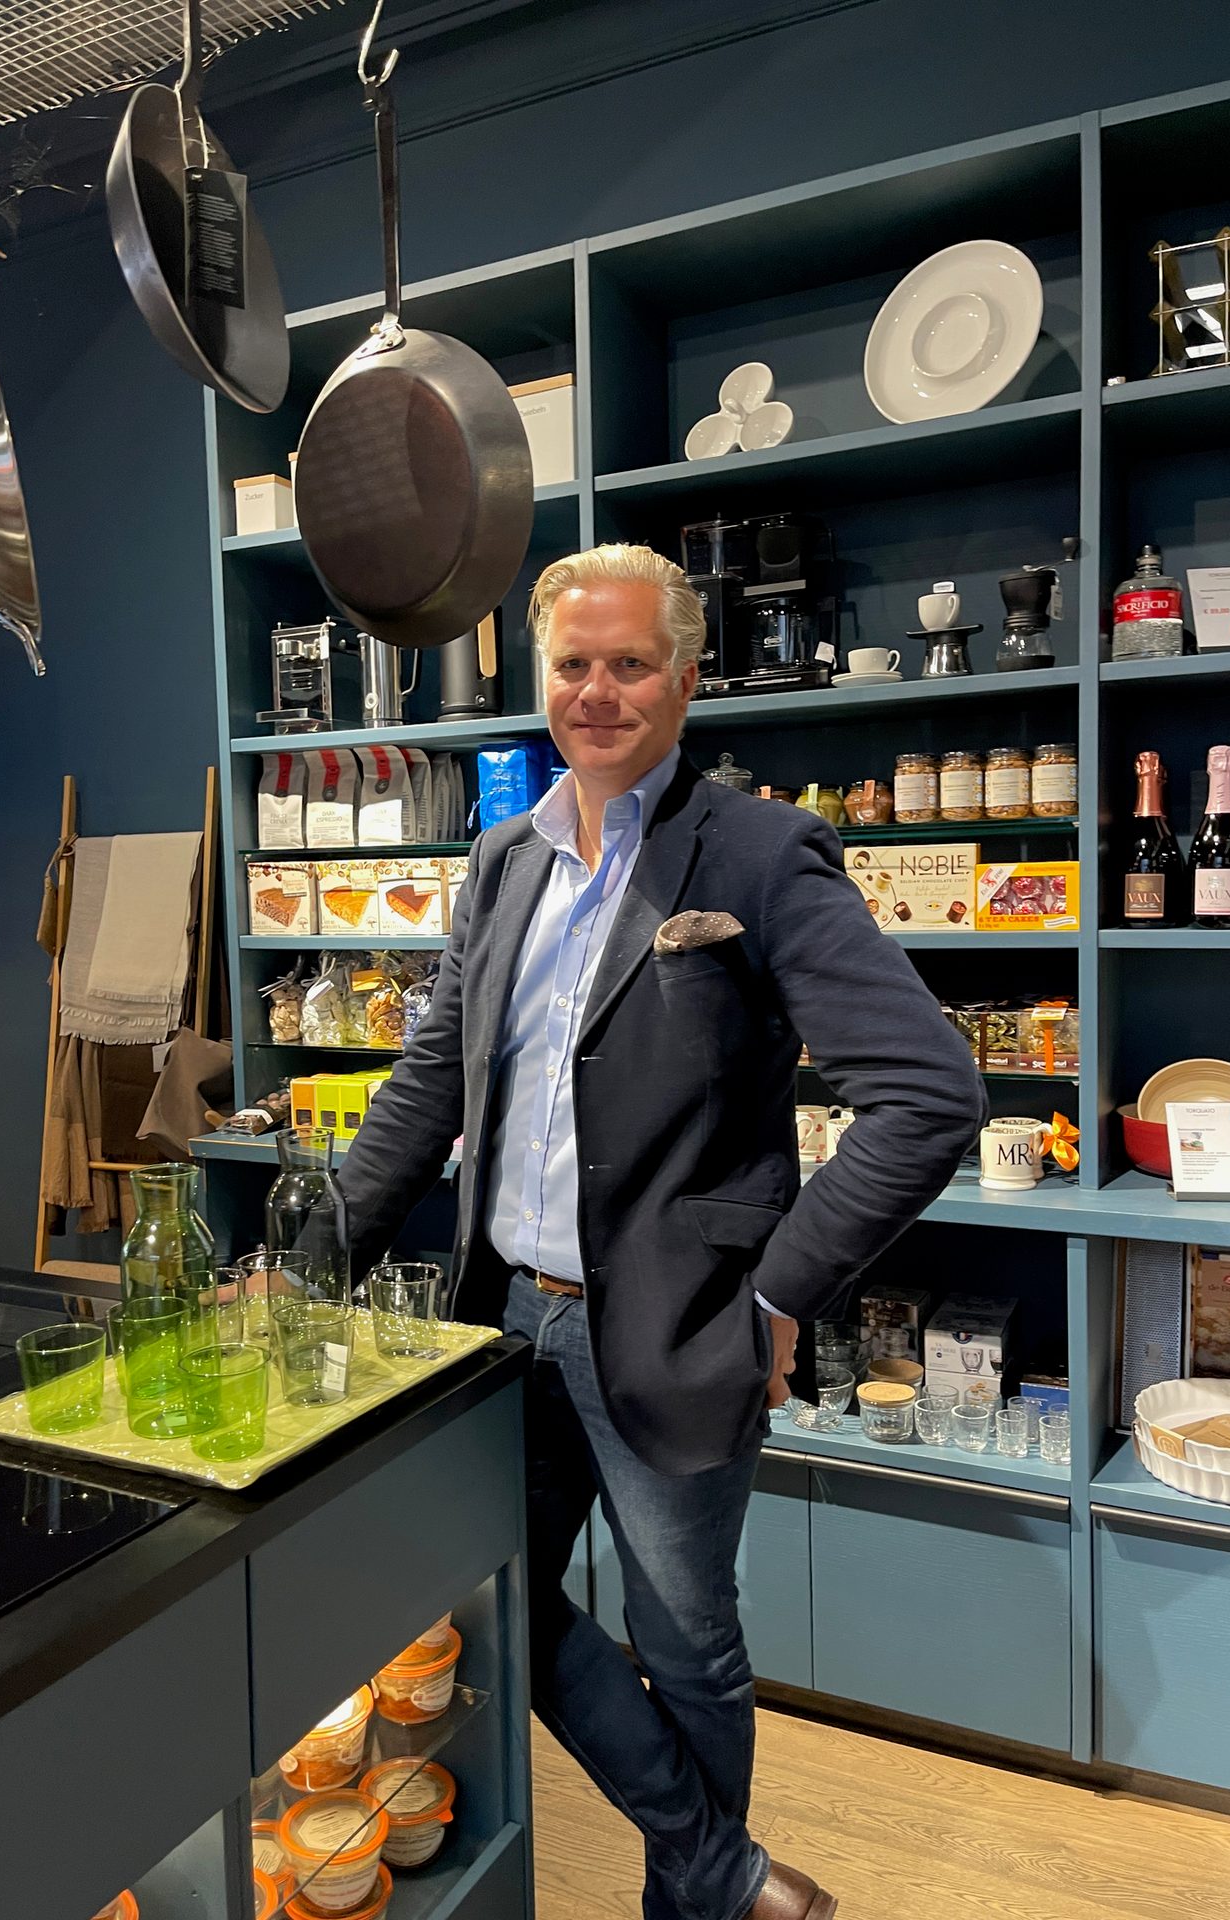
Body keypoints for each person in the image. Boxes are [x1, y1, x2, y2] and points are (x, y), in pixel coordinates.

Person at [339, 544, 987, 1920]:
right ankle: (726, 1872)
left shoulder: (755, 851)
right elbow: (430, 1083)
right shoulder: (501, 861)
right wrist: (310, 1257)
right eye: (575, 663)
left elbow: (930, 1091)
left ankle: (691, 1902)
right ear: (543, 676)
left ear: (686, 678)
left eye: (631, 663)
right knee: (476, 1603)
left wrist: (778, 1296)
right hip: (502, 1319)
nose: (599, 691)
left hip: (679, 1324)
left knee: (685, 1643)